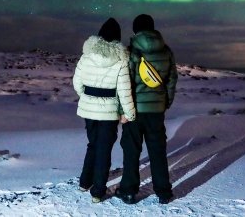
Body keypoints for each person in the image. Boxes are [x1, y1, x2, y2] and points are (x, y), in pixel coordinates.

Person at [115, 14, 178, 205]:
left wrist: (122, 110)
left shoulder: (131, 51)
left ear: (136, 30)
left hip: (134, 111)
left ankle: (128, 191)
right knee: (158, 151)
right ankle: (164, 192)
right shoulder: (166, 51)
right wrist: (165, 103)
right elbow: (171, 80)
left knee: (131, 151)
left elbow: (124, 83)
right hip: (156, 111)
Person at [72, 18, 136, 203]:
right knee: (104, 149)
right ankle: (98, 192)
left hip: (88, 110)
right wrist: (129, 113)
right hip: (109, 113)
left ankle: (84, 182)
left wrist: (87, 97)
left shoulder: (86, 56)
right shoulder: (121, 60)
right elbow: (124, 91)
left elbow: (77, 82)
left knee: (92, 144)